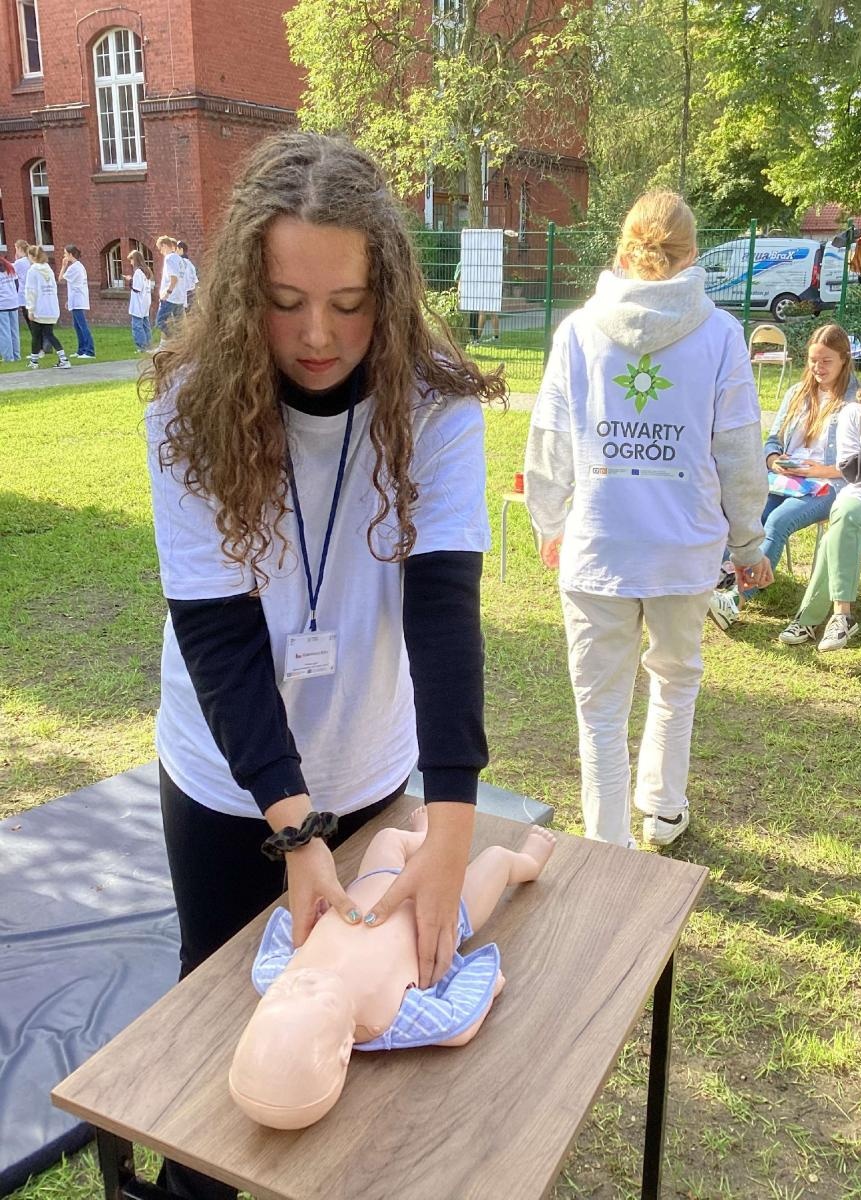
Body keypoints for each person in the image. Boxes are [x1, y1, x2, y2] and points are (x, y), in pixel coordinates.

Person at [143, 129, 504, 1199]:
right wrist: (294, 832)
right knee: (217, 1029)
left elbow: (444, 610)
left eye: (348, 304)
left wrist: (450, 828)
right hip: (224, 778)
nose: (316, 334)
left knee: (365, 1042)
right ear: (240, 290)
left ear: (386, 288)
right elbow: (217, 634)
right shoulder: (188, 405)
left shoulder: (435, 403)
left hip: (369, 763)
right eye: (284, 301)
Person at [525, 190, 770, 850]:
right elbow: (739, 448)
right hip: (683, 549)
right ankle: (662, 808)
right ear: (693, 254)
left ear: (625, 247)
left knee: (600, 709)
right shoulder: (719, 335)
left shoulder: (578, 331)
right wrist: (748, 541)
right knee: (675, 679)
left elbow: (549, 441)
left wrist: (549, 522)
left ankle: (609, 843)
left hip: (598, 544)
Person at [229, 806, 556, 1128]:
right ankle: (528, 862)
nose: (305, 984)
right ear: (345, 1048)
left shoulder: (272, 974)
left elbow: (282, 934)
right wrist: (485, 987)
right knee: (496, 861)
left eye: (282, 994)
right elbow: (456, 1025)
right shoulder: (388, 1019)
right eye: (319, 999)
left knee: (387, 838)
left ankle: (425, 839)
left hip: (376, 879)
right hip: (443, 909)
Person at [709, 324, 858, 628]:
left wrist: (819, 470)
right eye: (813, 360)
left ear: (844, 359)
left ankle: (736, 600)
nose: (818, 368)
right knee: (745, 514)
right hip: (787, 478)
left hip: (827, 483)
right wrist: (774, 459)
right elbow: (773, 440)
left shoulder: (857, 400)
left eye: (826, 361)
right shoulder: (797, 393)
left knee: (778, 521)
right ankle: (715, 578)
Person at [780, 344, 861, 651]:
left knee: (833, 541)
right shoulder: (857, 412)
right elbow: (850, 471)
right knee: (845, 514)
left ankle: (808, 620)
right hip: (859, 492)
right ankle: (842, 617)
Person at [24, 246, 70, 370]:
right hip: (50, 307)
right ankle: (63, 358)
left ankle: (34, 361)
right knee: (49, 334)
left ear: (32, 256)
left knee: (36, 335)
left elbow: (30, 290)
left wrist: (30, 308)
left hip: (39, 308)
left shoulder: (33, 270)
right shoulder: (48, 269)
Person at [58, 244, 96, 359]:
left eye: (65, 254)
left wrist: (63, 266)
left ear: (70, 254)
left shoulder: (74, 267)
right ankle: (81, 349)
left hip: (78, 299)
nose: (64, 256)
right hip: (75, 298)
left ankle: (89, 351)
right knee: (77, 325)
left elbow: (60, 278)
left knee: (82, 325)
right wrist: (69, 300)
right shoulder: (78, 266)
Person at [155, 235, 187, 338]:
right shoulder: (180, 259)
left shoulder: (169, 259)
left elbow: (174, 278)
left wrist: (167, 293)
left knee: (160, 321)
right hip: (179, 297)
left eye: (160, 249)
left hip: (170, 298)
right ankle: (180, 343)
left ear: (164, 245)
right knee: (179, 326)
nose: (161, 252)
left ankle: (173, 340)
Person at [126, 247, 154, 352]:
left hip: (139, 302)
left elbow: (137, 288)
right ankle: (149, 345)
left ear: (135, 259)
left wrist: (130, 280)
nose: (131, 263)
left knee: (137, 325)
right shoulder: (147, 271)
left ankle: (142, 347)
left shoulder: (138, 272)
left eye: (131, 260)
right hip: (146, 300)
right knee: (146, 324)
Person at [14, 239, 34, 348]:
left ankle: (39, 346)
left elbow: (11, 272)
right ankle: (44, 344)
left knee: (30, 322)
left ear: (19, 248)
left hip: (24, 295)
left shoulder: (19, 263)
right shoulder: (30, 260)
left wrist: (16, 259)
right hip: (33, 293)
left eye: (16, 248)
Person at [0, 255, 20, 361]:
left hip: (2, 304)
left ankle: (8, 357)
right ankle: (16, 355)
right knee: (14, 331)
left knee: (4, 332)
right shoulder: (10, 267)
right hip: (13, 302)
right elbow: (17, 284)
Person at [176, 239, 198, 308]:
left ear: (181, 249)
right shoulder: (190, 264)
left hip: (184, 293)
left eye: (176, 249)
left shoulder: (181, 263)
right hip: (190, 292)